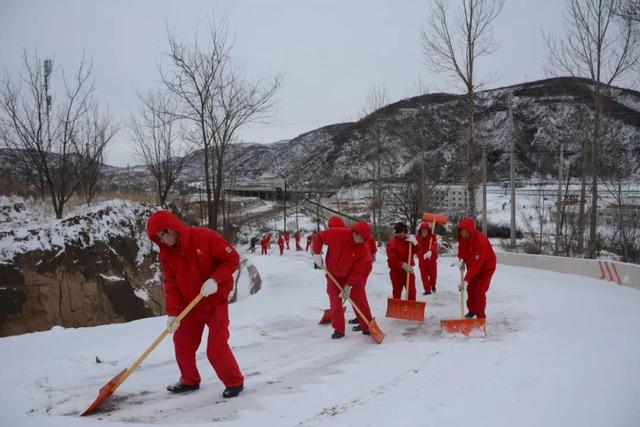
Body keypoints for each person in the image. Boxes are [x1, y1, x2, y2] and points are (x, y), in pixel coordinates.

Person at [146, 210, 244, 398]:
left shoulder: (205, 237)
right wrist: (173, 313)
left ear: (171, 229)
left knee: (216, 348)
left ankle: (234, 381)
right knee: (182, 342)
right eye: (158, 238)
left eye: (162, 235)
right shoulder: (167, 255)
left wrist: (215, 280)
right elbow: (171, 285)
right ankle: (189, 380)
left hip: (215, 302)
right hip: (189, 306)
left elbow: (232, 259)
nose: (162, 241)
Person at [312, 221, 374, 339]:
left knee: (360, 300)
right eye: (361, 237)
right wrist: (317, 254)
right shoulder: (336, 233)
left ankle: (367, 326)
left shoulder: (363, 248)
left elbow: (358, 269)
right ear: (355, 233)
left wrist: (349, 285)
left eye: (365, 239)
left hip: (351, 277)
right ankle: (339, 330)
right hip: (333, 275)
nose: (362, 241)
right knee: (335, 302)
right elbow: (319, 237)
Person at [457, 217, 496, 319]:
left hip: (486, 268)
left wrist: (466, 280)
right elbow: (461, 251)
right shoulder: (462, 239)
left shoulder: (480, 242)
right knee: (471, 289)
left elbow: (476, 265)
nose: (464, 235)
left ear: (471, 231)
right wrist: (461, 260)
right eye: (462, 232)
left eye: (466, 232)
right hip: (473, 268)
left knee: (479, 291)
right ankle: (472, 311)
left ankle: (480, 318)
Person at [386, 222, 417, 301]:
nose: (402, 234)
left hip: (408, 271)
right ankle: (396, 310)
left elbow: (418, 251)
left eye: (404, 231)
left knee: (412, 291)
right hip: (396, 272)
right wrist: (402, 264)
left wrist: (415, 243)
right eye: (400, 231)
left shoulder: (409, 242)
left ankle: (411, 310)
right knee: (397, 292)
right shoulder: (392, 243)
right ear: (396, 232)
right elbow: (391, 259)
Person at [416, 222, 438, 295]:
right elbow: (417, 248)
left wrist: (431, 251)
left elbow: (434, 246)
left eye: (425, 230)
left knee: (433, 275)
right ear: (420, 231)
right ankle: (427, 290)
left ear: (428, 230)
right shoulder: (418, 239)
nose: (424, 232)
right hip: (422, 261)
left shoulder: (432, 238)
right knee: (424, 276)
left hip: (431, 260)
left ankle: (433, 285)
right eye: (422, 230)